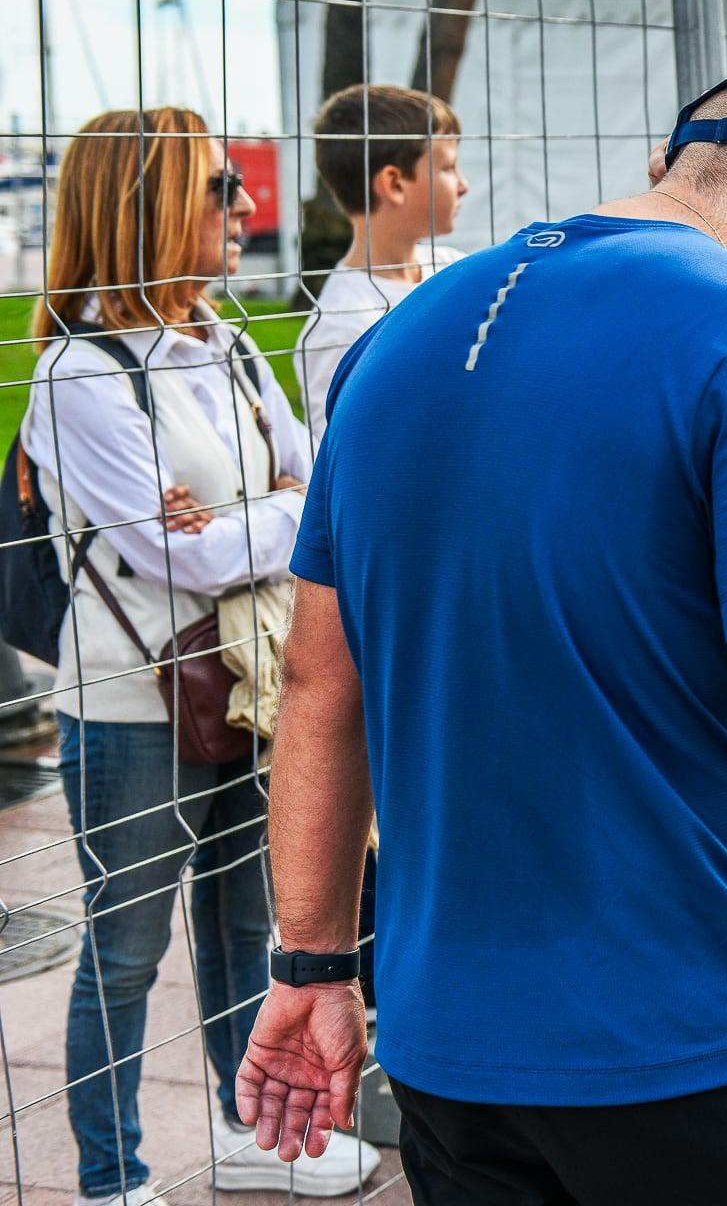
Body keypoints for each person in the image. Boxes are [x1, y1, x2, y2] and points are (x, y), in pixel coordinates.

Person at [236, 67, 727, 1203]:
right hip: (700, 1040)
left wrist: (310, 967)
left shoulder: (397, 341)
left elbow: (320, 687)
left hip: (452, 1062)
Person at [28, 109, 376, 1203]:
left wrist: (241, 518)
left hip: (247, 681)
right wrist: (259, 511)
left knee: (244, 922)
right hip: (137, 704)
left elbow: (312, 490)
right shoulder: (81, 372)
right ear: (146, 208)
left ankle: (248, 1133)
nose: (244, 207)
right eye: (219, 184)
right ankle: (109, 1177)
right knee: (126, 954)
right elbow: (177, 553)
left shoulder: (221, 339)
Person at [298, 84, 469, 444]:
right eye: (449, 167)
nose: (463, 185)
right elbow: (334, 456)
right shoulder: (339, 325)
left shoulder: (455, 269)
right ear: (393, 184)